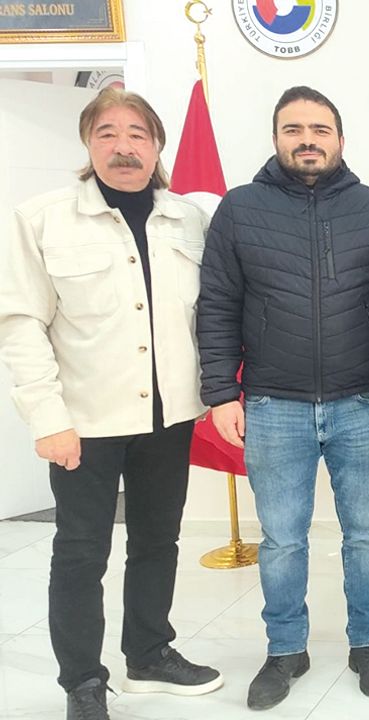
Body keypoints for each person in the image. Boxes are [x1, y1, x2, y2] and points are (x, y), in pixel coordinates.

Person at [0, 88, 222, 720]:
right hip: (84, 422)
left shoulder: (188, 219)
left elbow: (210, 312)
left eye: (137, 135)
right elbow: (20, 323)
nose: (124, 147)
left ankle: (148, 653)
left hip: (169, 416)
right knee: (81, 552)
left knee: (158, 540)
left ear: (157, 145)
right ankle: (82, 681)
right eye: (107, 134)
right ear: (87, 142)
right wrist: (47, 419)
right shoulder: (42, 219)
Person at [197, 86, 369, 710]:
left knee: (366, 535)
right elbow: (217, 304)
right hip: (272, 404)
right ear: (276, 138)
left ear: (340, 139)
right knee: (282, 540)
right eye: (294, 129)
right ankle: (286, 650)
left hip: (362, 403)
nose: (307, 140)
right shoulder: (240, 209)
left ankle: (368, 643)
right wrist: (220, 391)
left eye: (320, 129)